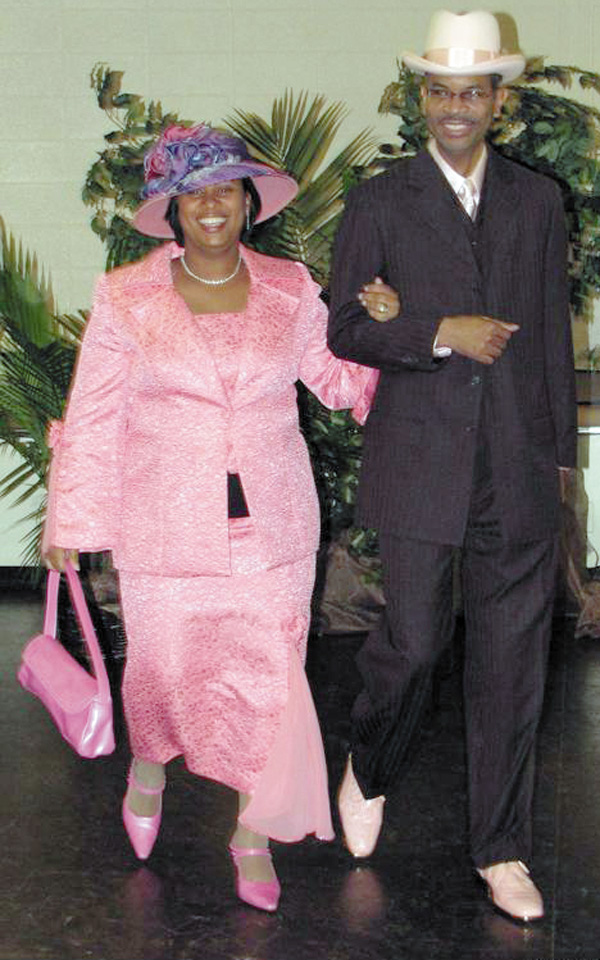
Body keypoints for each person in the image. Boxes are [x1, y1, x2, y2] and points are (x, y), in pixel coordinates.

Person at [42, 123, 379, 912]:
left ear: (248, 200)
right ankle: (148, 768)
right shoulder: (126, 296)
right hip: (162, 526)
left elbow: (335, 381)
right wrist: (70, 522)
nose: (211, 205)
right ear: (170, 210)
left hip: (273, 530)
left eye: (225, 188)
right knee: (160, 675)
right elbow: (93, 415)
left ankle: (250, 836)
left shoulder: (290, 287)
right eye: (191, 194)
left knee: (270, 688)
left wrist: (380, 332)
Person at [327, 10, 577, 924]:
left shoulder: (538, 200)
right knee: (416, 645)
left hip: (517, 464)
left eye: (474, 92)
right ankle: (371, 762)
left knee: (512, 666)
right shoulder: (379, 200)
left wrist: (559, 465)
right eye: (442, 91)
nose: (457, 107)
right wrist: (436, 332)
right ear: (421, 98)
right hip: (420, 463)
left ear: (498, 102)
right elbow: (344, 327)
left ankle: (501, 849)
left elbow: (550, 336)